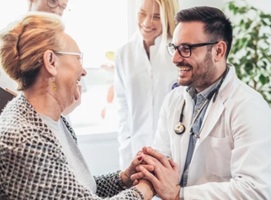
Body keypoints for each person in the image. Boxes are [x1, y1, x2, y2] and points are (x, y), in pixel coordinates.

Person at [0, 12, 155, 199]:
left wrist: (123, 178)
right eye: (78, 58)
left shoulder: (53, 121)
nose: (83, 71)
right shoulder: (25, 139)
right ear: (51, 62)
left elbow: (79, 190)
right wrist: (147, 187)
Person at [135, 6, 271, 199]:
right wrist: (148, 174)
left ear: (218, 51)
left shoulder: (249, 107)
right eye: (174, 48)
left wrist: (180, 195)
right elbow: (161, 159)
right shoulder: (174, 100)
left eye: (186, 49)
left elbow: (254, 191)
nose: (176, 59)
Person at [114, 0, 179, 170]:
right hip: (135, 149)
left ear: (168, 19)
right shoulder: (124, 54)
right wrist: (126, 142)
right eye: (142, 13)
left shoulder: (179, 53)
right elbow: (122, 106)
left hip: (173, 151)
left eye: (156, 17)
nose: (146, 22)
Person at [0, 0, 68, 95]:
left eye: (63, 7)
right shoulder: (7, 41)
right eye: (52, 2)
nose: (57, 11)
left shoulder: (65, 47)